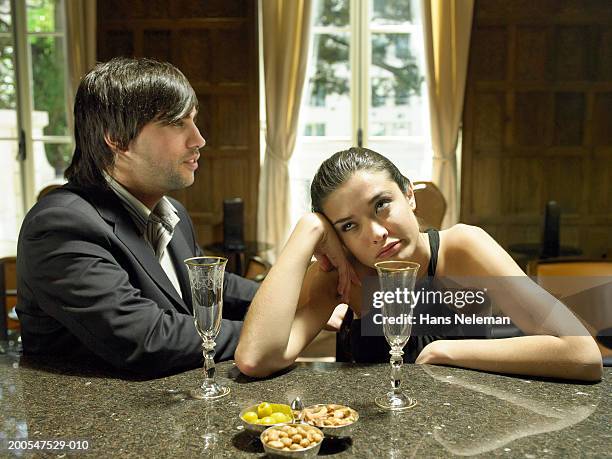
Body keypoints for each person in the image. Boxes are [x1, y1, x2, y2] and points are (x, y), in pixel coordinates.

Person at [235, 147, 603, 381]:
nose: (376, 233)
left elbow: (581, 353)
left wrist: (445, 351)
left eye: (381, 204)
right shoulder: (345, 276)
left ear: (409, 195)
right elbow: (255, 358)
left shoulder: (462, 247)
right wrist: (307, 229)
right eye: (349, 226)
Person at [16, 58, 258, 376]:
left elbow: (208, 286)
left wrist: (296, 298)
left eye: (194, 121)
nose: (198, 139)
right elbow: (146, 338)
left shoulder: (175, 214)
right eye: (177, 123)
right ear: (116, 138)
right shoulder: (60, 226)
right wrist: (270, 333)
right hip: (93, 422)